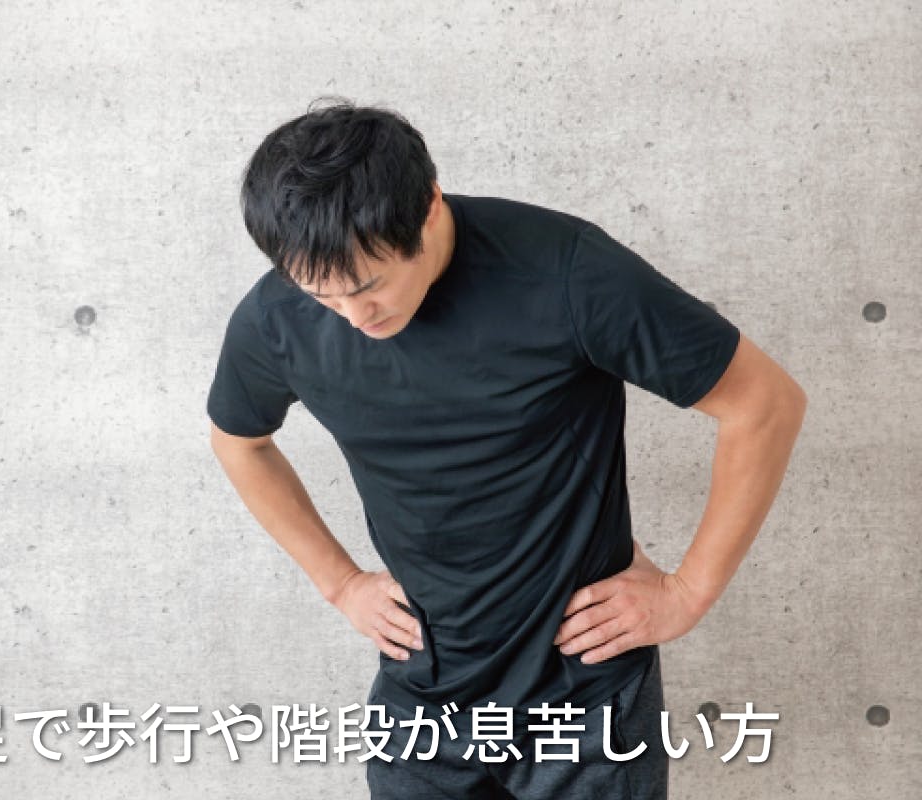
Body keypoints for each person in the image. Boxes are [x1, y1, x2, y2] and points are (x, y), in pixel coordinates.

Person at [206, 97, 806, 799]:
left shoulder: (566, 272)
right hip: (422, 692)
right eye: (323, 296)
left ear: (428, 207)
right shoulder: (277, 319)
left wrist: (689, 592)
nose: (352, 315)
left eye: (369, 287)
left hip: (583, 693)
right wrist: (339, 583)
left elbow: (765, 403)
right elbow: (240, 443)